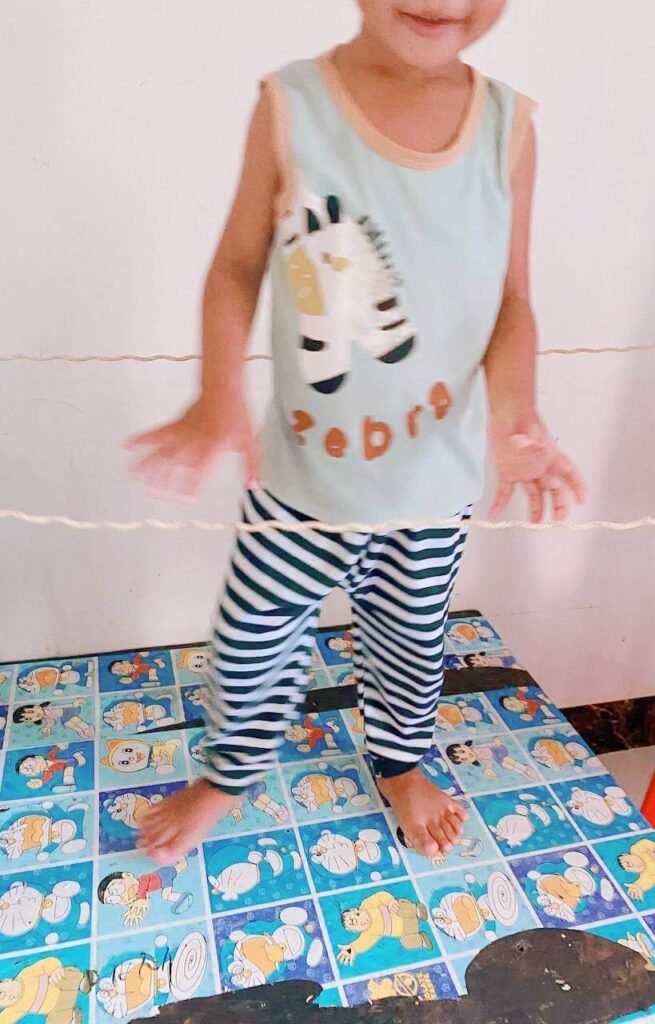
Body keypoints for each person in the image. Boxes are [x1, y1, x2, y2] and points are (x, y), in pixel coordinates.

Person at [128, 0, 585, 865]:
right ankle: (229, 775)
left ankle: (400, 763)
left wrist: (514, 418)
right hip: (302, 480)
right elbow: (236, 268)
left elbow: (511, 300)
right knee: (251, 640)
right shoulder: (292, 106)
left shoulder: (507, 129)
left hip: (432, 485)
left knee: (412, 644)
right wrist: (217, 394)